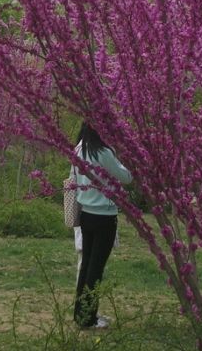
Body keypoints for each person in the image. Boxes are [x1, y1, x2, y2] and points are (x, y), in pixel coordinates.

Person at [73, 122, 132, 329]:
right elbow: (126, 177)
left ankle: (80, 314)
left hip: (86, 215)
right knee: (96, 269)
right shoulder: (104, 152)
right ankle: (89, 318)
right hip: (104, 217)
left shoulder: (78, 149)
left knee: (86, 266)